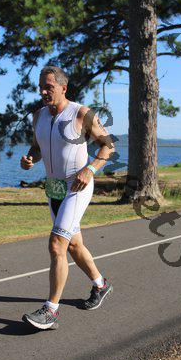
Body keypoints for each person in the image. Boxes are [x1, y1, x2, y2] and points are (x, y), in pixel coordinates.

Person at [20, 65, 115, 330]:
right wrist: (30, 159)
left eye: (49, 87)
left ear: (63, 88)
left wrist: (90, 169)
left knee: (56, 245)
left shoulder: (82, 113)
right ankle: (100, 285)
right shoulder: (38, 116)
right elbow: (37, 147)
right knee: (73, 245)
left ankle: (51, 311)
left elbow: (108, 146)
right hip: (54, 189)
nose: (43, 92)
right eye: (41, 87)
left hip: (77, 186)